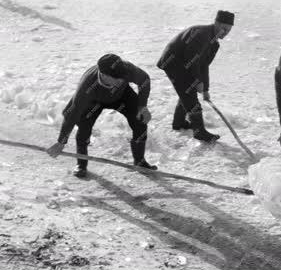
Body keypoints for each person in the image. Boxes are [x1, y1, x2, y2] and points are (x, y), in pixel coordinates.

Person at [46, 53, 155, 178]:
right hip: (93, 102)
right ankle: (81, 164)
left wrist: (142, 106)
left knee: (140, 121)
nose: (122, 79)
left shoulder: (126, 69)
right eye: (117, 77)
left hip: (122, 95)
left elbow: (144, 80)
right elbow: (72, 114)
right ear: (104, 75)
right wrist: (61, 142)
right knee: (83, 129)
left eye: (123, 76)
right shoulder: (86, 87)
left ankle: (140, 162)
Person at [157, 10, 234, 143]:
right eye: (223, 28)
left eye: (228, 30)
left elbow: (204, 66)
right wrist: (197, 81)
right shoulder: (201, 34)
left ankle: (179, 123)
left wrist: (205, 89)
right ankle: (199, 132)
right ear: (216, 23)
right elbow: (191, 58)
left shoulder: (214, 44)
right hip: (174, 62)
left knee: (188, 91)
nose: (225, 32)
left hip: (185, 64)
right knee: (190, 96)